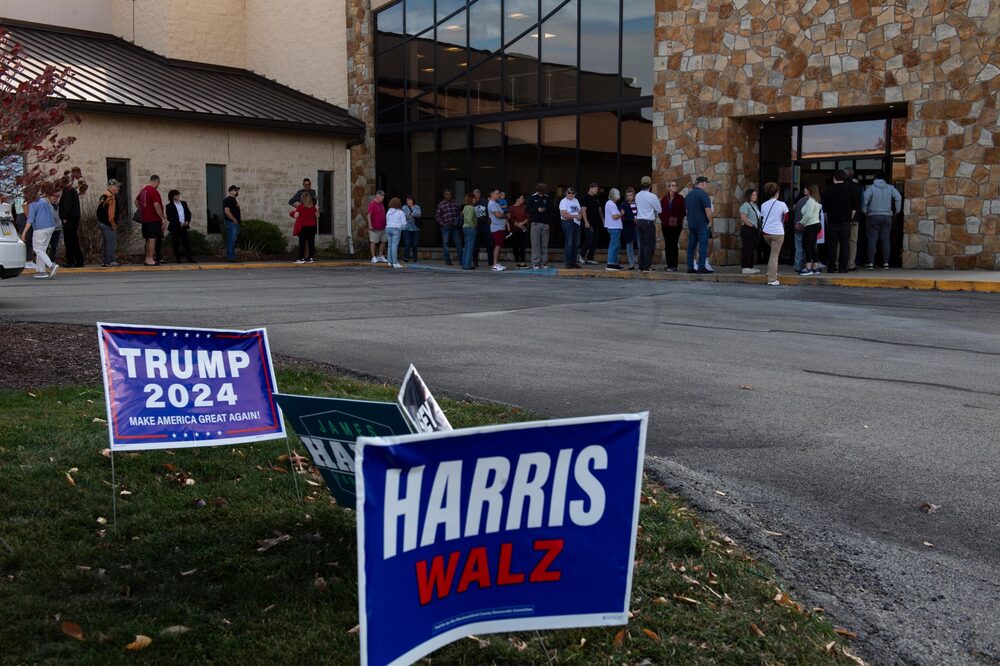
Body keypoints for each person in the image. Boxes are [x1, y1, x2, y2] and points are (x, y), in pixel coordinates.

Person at [862, 171, 902, 270]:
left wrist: (865, 210)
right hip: (887, 216)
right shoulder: (890, 188)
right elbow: (898, 197)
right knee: (885, 240)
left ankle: (870, 263)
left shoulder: (871, 188)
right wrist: (897, 210)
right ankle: (885, 263)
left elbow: (864, 199)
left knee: (872, 240)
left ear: (875, 178)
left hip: (873, 215)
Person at [20, 190, 60, 279]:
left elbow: (30, 220)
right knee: (42, 249)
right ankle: (41, 271)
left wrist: (24, 233)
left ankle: (51, 265)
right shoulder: (43, 201)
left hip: (40, 228)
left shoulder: (32, 204)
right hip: (50, 226)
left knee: (37, 249)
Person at [822, 170, 855, 273]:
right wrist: (849, 218)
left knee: (832, 245)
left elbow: (825, 210)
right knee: (844, 245)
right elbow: (854, 208)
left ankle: (831, 266)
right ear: (844, 178)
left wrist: (827, 221)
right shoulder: (850, 189)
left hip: (832, 221)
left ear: (834, 178)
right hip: (845, 221)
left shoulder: (828, 190)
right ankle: (843, 267)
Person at [759, 182, 788, 286]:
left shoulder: (763, 205)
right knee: (774, 255)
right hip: (778, 233)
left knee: (771, 253)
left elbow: (762, 217)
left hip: (766, 233)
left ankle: (770, 271)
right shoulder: (782, 204)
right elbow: (786, 218)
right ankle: (772, 279)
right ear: (777, 193)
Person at [136, 175, 167, 266]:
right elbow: (156, 205)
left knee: (148, 239)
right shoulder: (153, 191)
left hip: (145, 219)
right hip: (153, 219)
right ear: (157, 182)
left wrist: (142, 210)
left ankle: (147, 258)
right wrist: (162, 218)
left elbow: (136, 201)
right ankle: (150, 259)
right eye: (158, 183)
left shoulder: (143, 191)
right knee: (152, 239)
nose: (158, 185)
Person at [683, 176, 712, 274]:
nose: (707, 185)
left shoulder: (689, 195)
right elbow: (708, 210)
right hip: (702, 224)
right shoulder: (703, 194)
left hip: (692, 224)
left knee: (691, 246)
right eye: (706, 183)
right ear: (702, 183)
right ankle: (701, 267)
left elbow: (686, 210)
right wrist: (710, 222)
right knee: (703, 246)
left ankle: (690, 267)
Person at [635, 176, 662, 272]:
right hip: (648, 222)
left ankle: (641, 266)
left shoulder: (637, 195)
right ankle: (647, 266)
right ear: (650, 185)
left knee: (642, 244)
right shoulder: (652, 196)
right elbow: (659, 209)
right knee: (649, 245)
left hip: (639, 221)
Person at [59, 172, 85, 267]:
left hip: (69, 219)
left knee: (69, 241)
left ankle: (71, 261)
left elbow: (67, 206)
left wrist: (64, 217)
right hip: (74, 218)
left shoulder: (67, 191)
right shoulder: (73, 191)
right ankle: (79, 260)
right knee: (74, 240)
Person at [659, 180, 685, 271]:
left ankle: (674, 265)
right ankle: (669, 264)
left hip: (676, 225)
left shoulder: (680, 198)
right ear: (668, 187)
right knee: (667, 244)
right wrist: (664, 220)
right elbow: (660, 212)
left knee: (673, 244)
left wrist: (678, 219)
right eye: (672, 185)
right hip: (666, 225)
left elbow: (683, 211)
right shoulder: (664, 199)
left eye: (676, 185)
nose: (675, 187)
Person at [165, 189, 195, 263]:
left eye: (178, 194)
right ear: (172, 196)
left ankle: (190, 259)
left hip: (184, 226)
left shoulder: (184, 203)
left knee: (186, 242)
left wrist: (187, 221)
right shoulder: (169, 206)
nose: (178, 196)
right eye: (176, 195)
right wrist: (179, 223)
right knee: (175, 243)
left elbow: (188, 213)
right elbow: (170, 217)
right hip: (174, 227)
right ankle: (178, 259)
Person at [96, 179, 121, 267]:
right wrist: (113, 224)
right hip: (108, 224)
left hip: (102, 222)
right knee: (111, 242)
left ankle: (104, 261)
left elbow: (99, 211)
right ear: (112, 187)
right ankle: (110, 261)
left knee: (105, 242)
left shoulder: (104, 196)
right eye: (117, 186)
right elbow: (111, 213)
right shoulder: (111, 197)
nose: (118, 188)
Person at [799, 185, 823, 276]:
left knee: (806, 245)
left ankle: (808, 266)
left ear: (810, 191)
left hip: (810, 225)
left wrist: (800, 223)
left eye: (806, 188)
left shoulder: (810, 201)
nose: (804, 189)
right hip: (815, 224)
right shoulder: (816, 200)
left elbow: (808, 215)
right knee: (812, 246)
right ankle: (815, 266)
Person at [435, 189, 462, 266]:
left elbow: (459, 214)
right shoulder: (441, 204)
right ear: (444, 195)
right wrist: (443, 224)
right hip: (445, 227)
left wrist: (458, 223)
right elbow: (437, 217)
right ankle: (448, 260)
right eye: (446, 194)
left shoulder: (455, 204)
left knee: (458, 243)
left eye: (449, 194)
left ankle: (461, 260)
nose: (448, 195)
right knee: (445, 243)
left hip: (455, 226)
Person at [290, 191, 318, 264]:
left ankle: (301, 258)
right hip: (312, 227)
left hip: (303, 227)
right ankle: (311, 258)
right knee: (311, 243)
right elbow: (317, 216)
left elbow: (296, 216)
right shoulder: (313, 207)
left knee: (302, 243)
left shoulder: (300, 206)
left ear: (302, 198)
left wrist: (291, 213)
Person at [738, 188, 761, 275]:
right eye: (753, 195)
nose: (755, 196)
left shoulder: (754, 205)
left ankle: (750, 266)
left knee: (752, 248)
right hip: (748, 229)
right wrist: (751, 225)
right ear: (749, 196)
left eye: (756, 195)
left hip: (754, 230)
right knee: (747, 248)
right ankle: (745, 267)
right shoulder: (745, 205)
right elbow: (743, 217)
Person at [558, 188, 583, 269]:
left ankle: (573, 262)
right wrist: (575, 216)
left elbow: (579, 211)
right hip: (567, 223)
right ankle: (568, 262)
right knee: (569, 243)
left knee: (576, 243)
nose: (571, 194)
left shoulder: (576, 200)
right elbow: (564, 214)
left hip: (576, 222)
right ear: (566, 193)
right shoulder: (563, 201)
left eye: (573, 193)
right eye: (569, 193)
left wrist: (579, 215)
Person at [527, 183, 551, 269]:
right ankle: (535, 263)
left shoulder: (547, 198)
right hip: (535, 223)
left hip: (545, 224)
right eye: (541, 191)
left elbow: (550, 210)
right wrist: (537, 210)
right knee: (535, 244)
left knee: (544, 244)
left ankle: (544, 262)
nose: (542, 193)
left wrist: (548, 223)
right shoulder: (532, 198)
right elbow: (527, 209)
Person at [844, 167, 863, 271]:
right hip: (855, 218)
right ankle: (851, 264)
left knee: (841, 241)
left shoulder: (842, 186)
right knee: (853, 241)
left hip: (843, 217)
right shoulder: (858, 187)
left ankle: (840, 262)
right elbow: (862, 202)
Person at [578, 183, 601, 265]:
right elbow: (583, 210)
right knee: (589, 239)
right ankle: (581, 255)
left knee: (595, 241)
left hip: (596, 223)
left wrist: (603, 219)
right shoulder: (584, 198)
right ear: (590, 188)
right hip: (588, 223)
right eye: (595, 189)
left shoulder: (596, 198)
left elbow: (599, 209)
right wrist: (586, 221)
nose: (596, 191)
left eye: (597, 189)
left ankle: (590, 258)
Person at [487, 189, 508, 271]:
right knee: (497, 246)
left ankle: (497, 263)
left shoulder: (495, 203)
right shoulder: (492, 203)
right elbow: (497, 215)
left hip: (500, 227)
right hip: (497, 228)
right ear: (492, 195)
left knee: (499, 245)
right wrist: (506, 216)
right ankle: (495, 264)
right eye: (497, 193)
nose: (499, 195)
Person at [604, 188, 624, 271]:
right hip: (614, 227)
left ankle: (614, 263)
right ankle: (611, 263)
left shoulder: (609, 203)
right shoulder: (611, 204)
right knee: (613, 246)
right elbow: (614, 216)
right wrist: (622, 214)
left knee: (615, 246)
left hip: (613, 227)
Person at [473, 189, 493, 269]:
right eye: (475, 195)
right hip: (476, 227)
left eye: (478, 194)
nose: (477, 196)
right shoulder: (472, 202)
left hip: (485, 226)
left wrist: (489, 218)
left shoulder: (485, 201)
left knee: (489, 244)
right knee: (475, 245)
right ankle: (475, 262)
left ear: (480, 194)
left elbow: (489, 210)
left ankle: (491, 262)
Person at [792, 185, 810, 272]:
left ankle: (798, 265)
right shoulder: (813, 202)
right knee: (808, 247)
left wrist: (797, 224)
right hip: (808, 228)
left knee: (799, 248)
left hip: (798, 227)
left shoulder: (800, 201)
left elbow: (797, 214)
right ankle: (807, 264)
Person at [507, 194, 528, 268]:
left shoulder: (524, 207)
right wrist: (517, 224)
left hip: (523, 228)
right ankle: (517, 260)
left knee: (523, 245)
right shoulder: (511, 208)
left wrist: (522, 223)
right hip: (515, 229)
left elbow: (528, 217)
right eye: (522, 198)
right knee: (515, 245)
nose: (523, 200)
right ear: (517, 199)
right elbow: (510, 218)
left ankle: (522, 261)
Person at [385, 196, 406, 269]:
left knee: (390, 245)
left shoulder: (388, 211)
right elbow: (404, 223)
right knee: (394, 246)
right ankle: (395, 263)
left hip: (388, 228)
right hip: (396, 229)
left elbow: (387, 220)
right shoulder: (401, 212)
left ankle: (389, 262)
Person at [222, 184, 241, 262]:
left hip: (235, 224)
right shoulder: (228, 200)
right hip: (231, 223)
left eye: (237, 190)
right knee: (230, 240)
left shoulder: (234, 200)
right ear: (230, 191)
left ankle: (232, 256)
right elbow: (227, 211)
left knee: (233, 240)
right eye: (235, 190)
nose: (237, 192)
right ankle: (230, 257)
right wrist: (234, 220)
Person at [620, 187, 638, 270]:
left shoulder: (638, 203)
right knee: (629, 245)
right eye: (627, 195)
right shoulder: (624, 204)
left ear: (634, 195)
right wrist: (632, 220)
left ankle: (641, 262)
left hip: (638, 226)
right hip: (628, 227)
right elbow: (622, 217)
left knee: (641, 244)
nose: (629, 197)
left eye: (630, 195)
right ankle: (631, 264)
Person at [367, 190, 387, 264]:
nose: (383, 197)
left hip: (383, 226)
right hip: (374, 227)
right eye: (382, 196)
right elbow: (369, 215)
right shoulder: (372, 204)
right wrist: (370, 224)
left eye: (383, 195)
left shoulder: (381, 204)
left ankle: (380, 256)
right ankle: (373, 257)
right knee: (373, 242)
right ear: (377, 196)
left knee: (384, 241)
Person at [401, 196, 422, 262]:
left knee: (415, 244)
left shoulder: (417, 207)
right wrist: (413, 214)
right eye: (407, 200)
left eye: (410, 200)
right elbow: (404, 215)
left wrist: (410, 214)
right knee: (407, 243)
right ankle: (406, 257)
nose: (409, 202)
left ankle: (415, 257)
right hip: (406, 228)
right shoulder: (404, 207)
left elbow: (418, 214)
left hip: (415, 229)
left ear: (413, 201)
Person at [460, 193, 478, 270]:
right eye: (474, 199)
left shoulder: (465, 207)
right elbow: (469, 218)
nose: (475, 200)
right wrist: (473, 226)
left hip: (464, 228)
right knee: (470, 247)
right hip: (470, 228)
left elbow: (462, 215)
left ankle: (464, 264)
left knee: (466, 246)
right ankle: (467, 265)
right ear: (471, 199)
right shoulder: (471, 208)